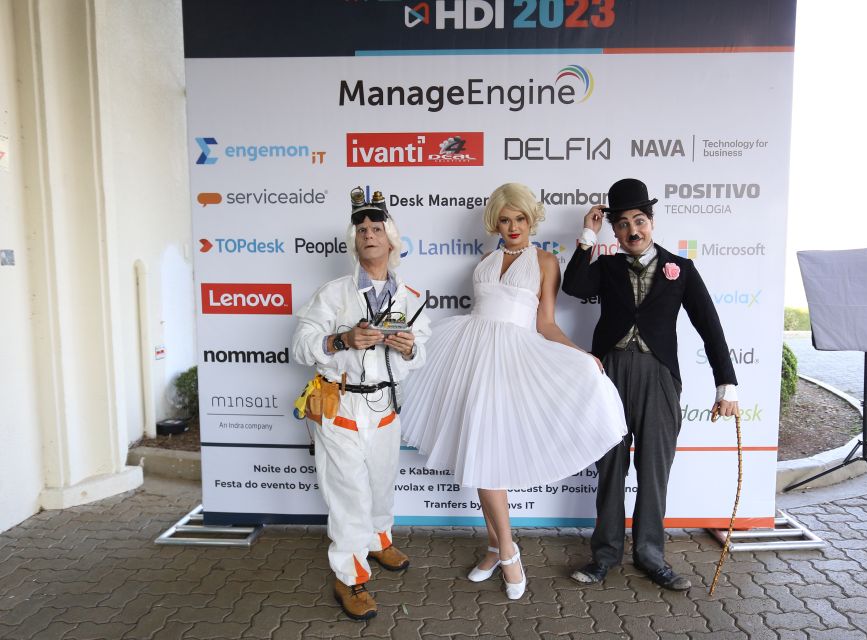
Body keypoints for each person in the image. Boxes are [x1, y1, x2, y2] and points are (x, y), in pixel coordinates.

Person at [401, 183, 627, 600]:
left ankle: (504, 551)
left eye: (520, 218)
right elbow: (480, 313)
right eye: (504, 220)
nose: (513, 226)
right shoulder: (484, 262)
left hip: (510, 362)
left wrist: (580, 355)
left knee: (487, 459)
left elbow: (546, 323)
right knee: (479, 454)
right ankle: (500, 549)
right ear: (495, 223)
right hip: (469, 358)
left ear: (530, 219)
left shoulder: (545, 261)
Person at [561, 178, 740, 591]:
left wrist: (726, 385)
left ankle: (650, 556)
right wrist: (587, 236)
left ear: (652, 222)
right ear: (614, 230)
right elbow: (573, 286)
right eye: (622, 224)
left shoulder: (681, 269)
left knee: (655, 470)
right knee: (610, 468)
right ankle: (605, 555)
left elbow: (710, 327)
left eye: (639, 221)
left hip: (659, 377)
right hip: (609, 375)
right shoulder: (606, 267)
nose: (632, 231)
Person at [292, 187, 431, 620]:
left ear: (392, 240)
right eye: (362, 230)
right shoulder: (333, 293)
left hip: (385, 405)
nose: (369, 235)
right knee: (349, 495)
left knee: (381, 484)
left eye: (377, 229)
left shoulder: (409, 295)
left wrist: (409, 348)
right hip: (340, 406)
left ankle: (379, 541)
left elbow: (422, 352)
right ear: (354, 241)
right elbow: (300, 345)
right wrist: (342, 340)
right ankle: (350, 577)